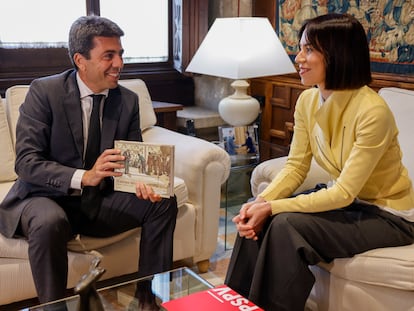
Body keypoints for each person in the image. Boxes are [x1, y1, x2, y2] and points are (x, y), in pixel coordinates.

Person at [225, 13, 414, 311]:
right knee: (256, 212)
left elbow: (343, 193)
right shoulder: (308, 101)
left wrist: (272, 207)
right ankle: (234, 305)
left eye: (309, 49)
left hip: (389, 215)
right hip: (351, 206)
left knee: (285, 224)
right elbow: (296, 166)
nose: (298, 58)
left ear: (337, 55)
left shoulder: (373, 111)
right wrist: (261, 201)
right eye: (301, 48)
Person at [0, 16, 178, 308]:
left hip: (97, 200)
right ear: (80, 60)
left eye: (120, 54)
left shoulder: (127, 100)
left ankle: (147, 300)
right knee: (49, 221)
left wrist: (142, 183)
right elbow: (27, 163)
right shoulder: (44, 92)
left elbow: (131, 158)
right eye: (108, 55)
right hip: (44, 197)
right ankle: (54, 307)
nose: (119, 63)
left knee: (162, 202)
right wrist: (84, 176)